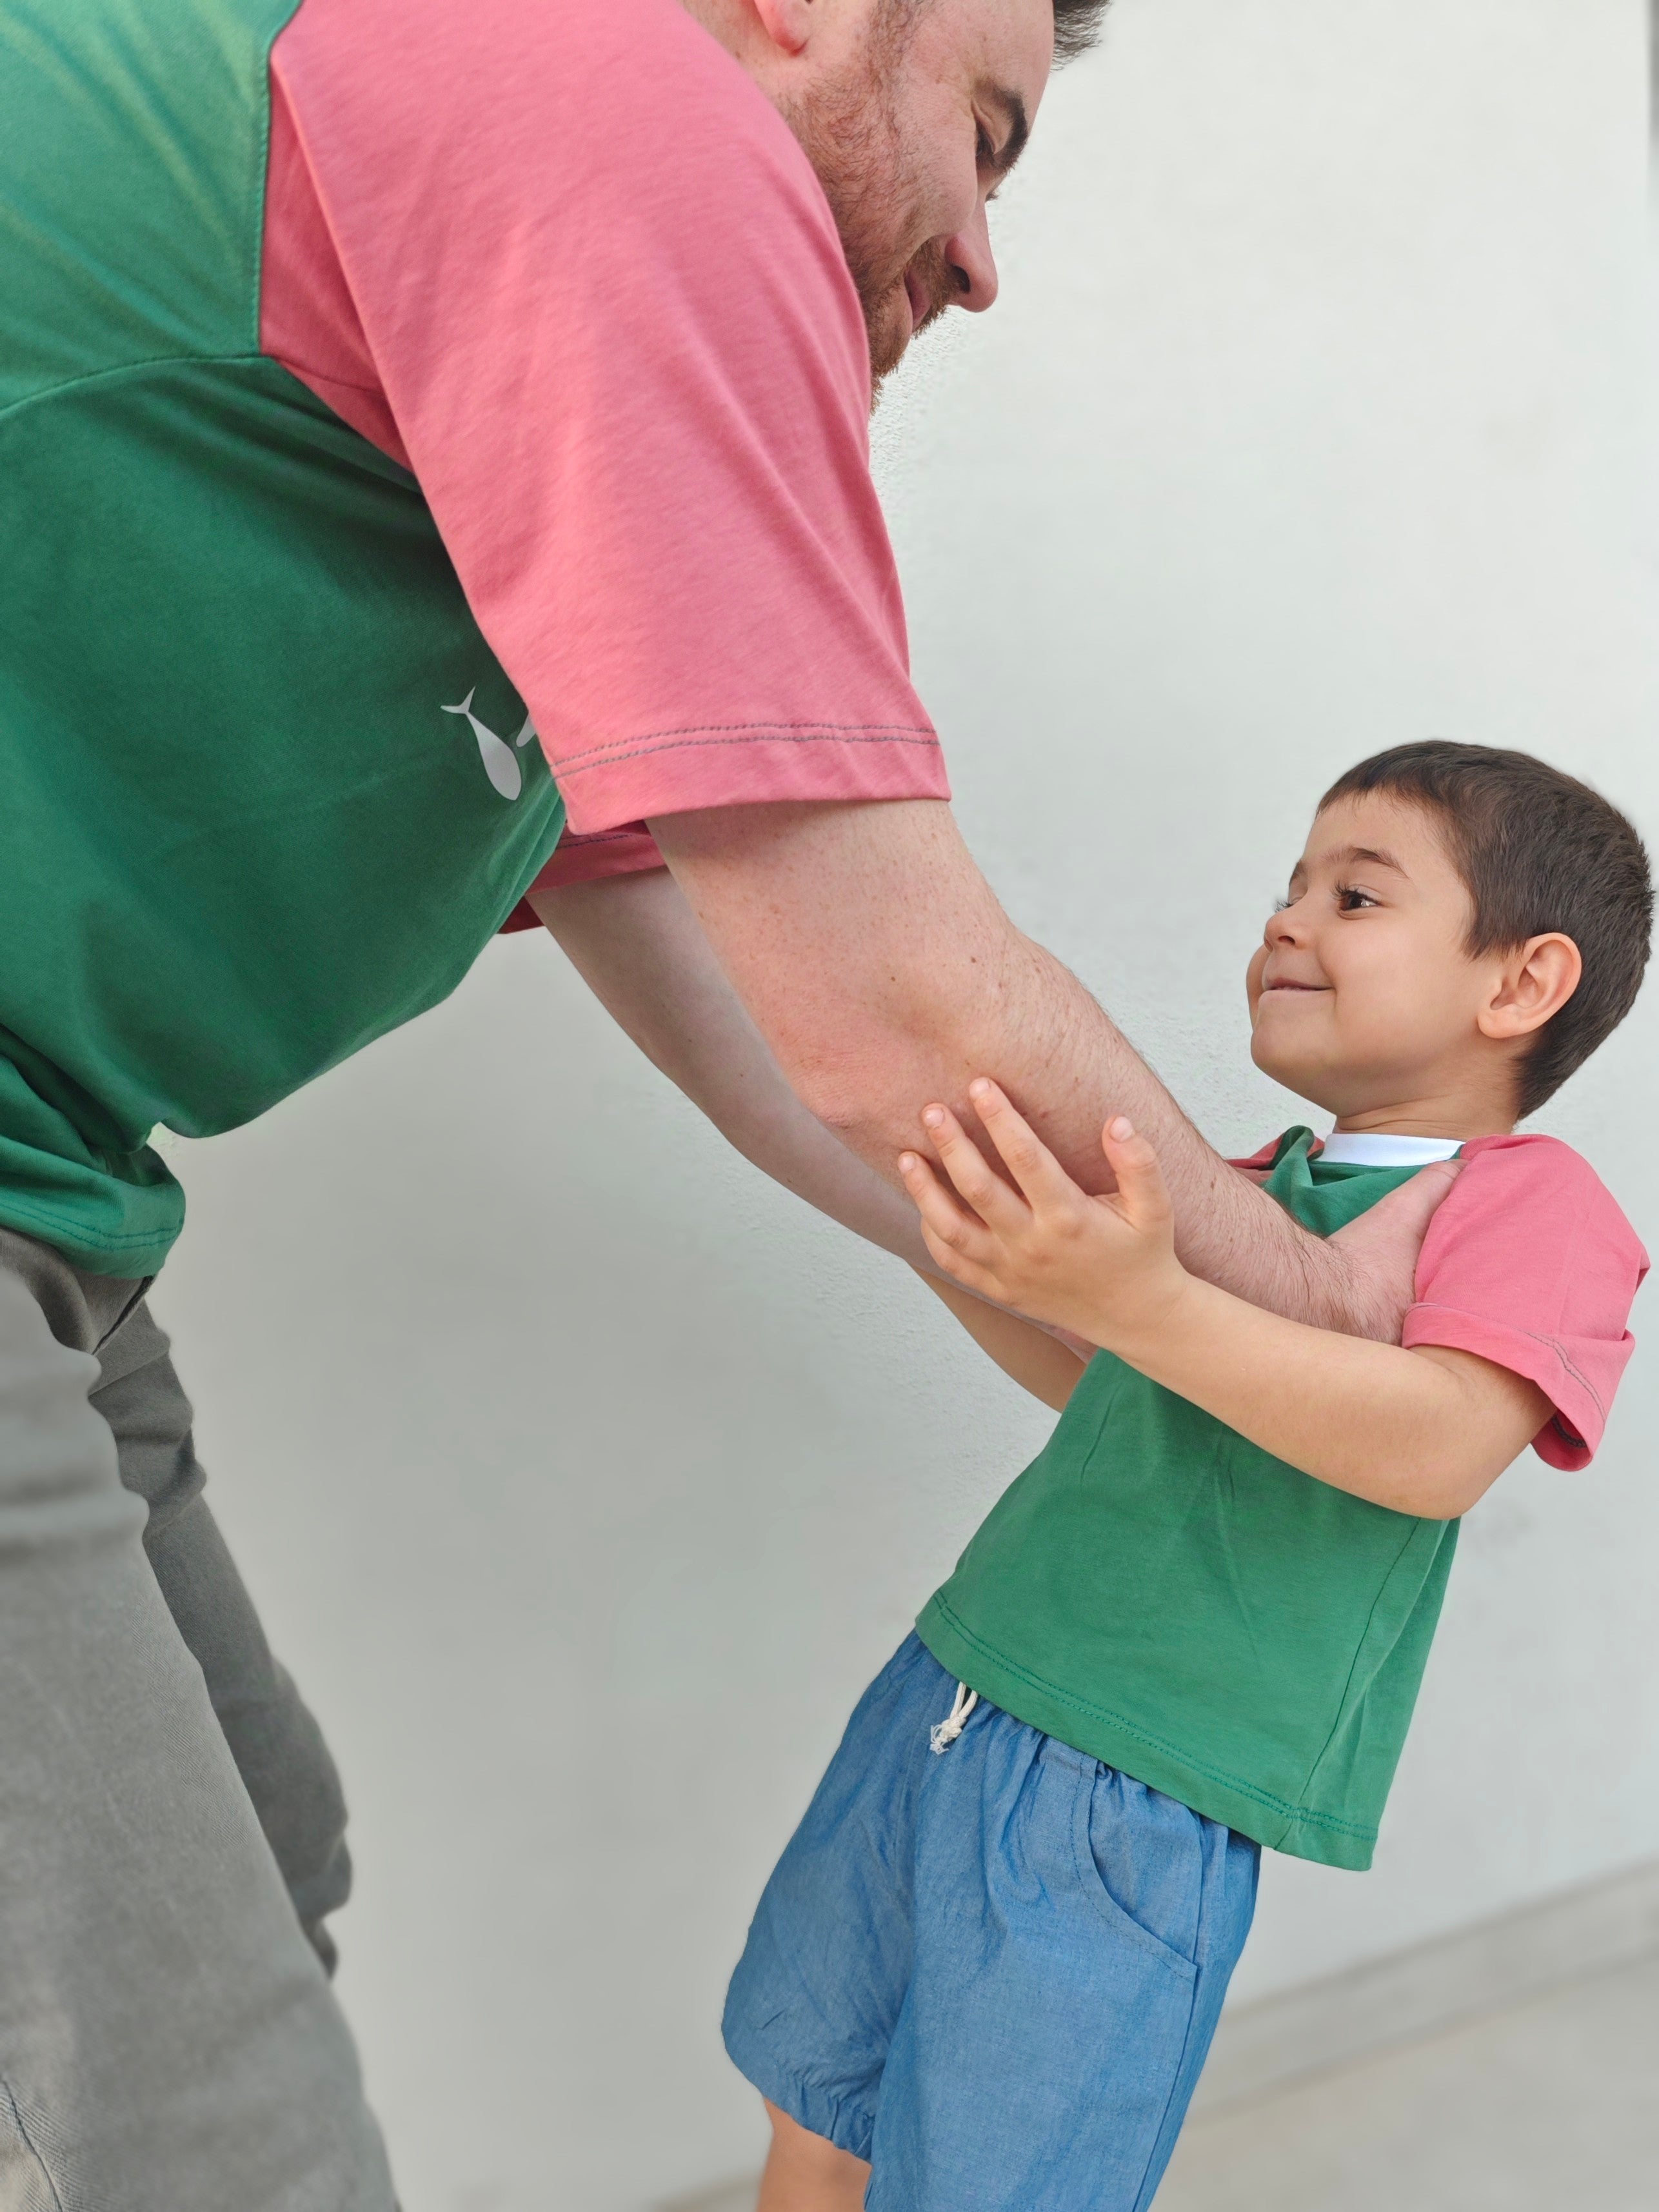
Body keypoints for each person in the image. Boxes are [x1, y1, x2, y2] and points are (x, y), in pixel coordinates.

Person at [0, 0, 1453, 2199]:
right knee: (213, 2132)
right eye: (984, 133)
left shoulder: (527, 380)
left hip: (54, 1196)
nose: (983, 256)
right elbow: (889, 996)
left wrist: (1159, 1346)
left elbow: (777, 1017)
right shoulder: (608, 97)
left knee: (260, 1851)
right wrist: (1324, 1311)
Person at [720, 742, 1651, 2212]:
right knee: (817, 2110)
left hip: (1127, 1786)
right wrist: (981, 1256)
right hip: (953, 1683)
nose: (1286, 918)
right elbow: (1118, 1388)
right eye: (1290, 885)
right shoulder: (1253, 1185)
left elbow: (1431, 1450)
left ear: (1521, 980)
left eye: (1354, 895)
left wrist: (1144, 1299)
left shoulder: (1531, 1203)